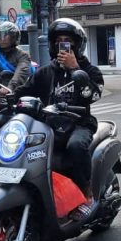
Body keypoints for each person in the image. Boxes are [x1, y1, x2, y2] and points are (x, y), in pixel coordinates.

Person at [14, 18, 104, 220]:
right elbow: (24, 90)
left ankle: (86, 193)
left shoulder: (90, 71)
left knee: (75, 146)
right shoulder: (46, 72)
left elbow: (94, 95)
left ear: (77, 44)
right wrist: (4, 98)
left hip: (79, 124)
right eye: (59, 40)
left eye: (68, 40)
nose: (63, 44)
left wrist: (74, 68)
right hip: (51, 125)